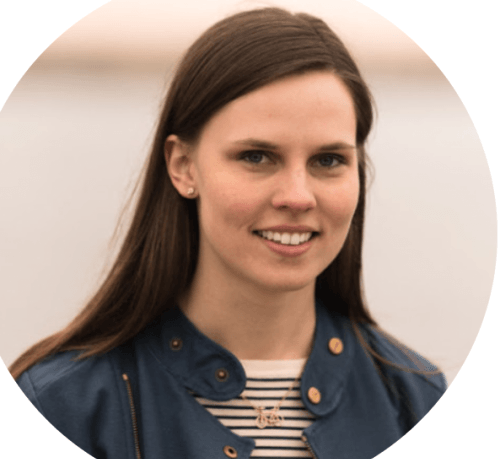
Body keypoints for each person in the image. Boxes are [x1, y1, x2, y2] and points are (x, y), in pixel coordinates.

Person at [10, 7, 446, 459]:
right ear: (183, 166)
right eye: (257, 157)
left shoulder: (417, 403)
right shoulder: (61, 409)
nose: (297, 197)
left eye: (328, 160)